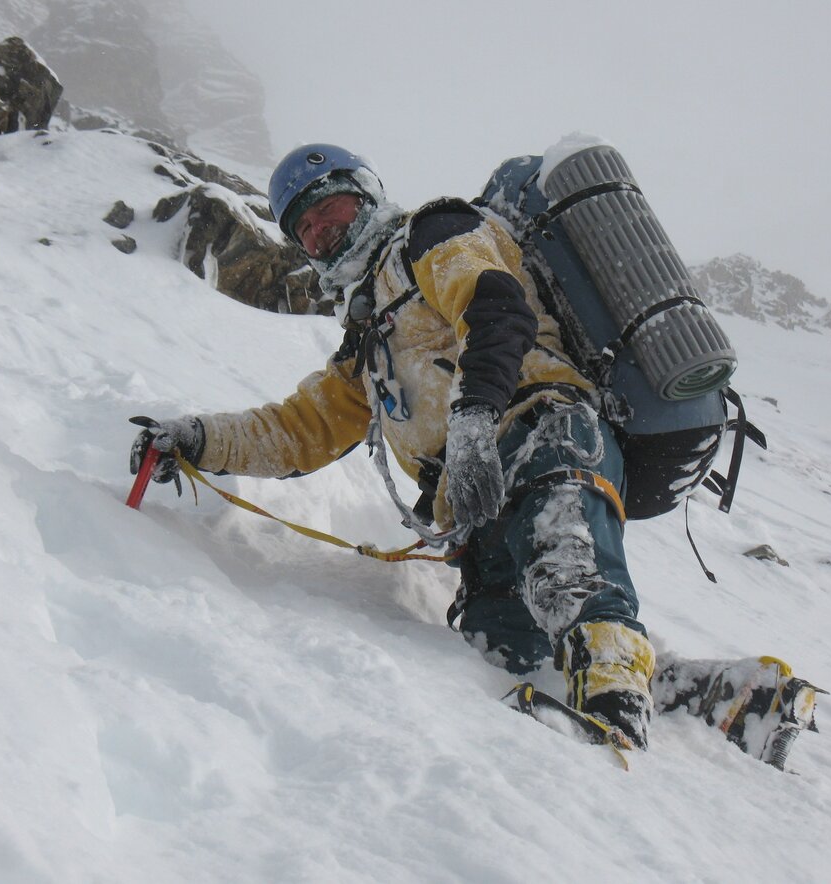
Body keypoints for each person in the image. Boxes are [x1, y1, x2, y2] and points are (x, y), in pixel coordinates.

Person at [130, 144, 656, 749]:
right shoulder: (370, 332)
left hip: (546, 432)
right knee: (509, 655)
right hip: (475, 503)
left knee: (567, 580)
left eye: (330, 209)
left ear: (366, 195)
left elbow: (495, 306)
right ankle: (711, 699)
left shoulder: (433, 234)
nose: (321, 231)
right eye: (305, 229)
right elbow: (301, 428)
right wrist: (199, 440)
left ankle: (616, 720)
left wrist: (475, 420)